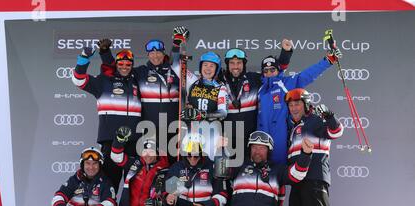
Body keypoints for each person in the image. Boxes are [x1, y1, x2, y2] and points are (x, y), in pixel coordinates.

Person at [285, 88, 344, 206]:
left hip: (315, 179)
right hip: (298, 180)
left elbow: (336, 132)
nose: (294, 108)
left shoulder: (316, 121)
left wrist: (330, 115)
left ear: (306, 104)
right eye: (291, 105)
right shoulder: (294, 127)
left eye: (297, 104)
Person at [71, 41, 142, 189]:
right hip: (110, 140)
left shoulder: (137, 81)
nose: (124, 67)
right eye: (121, 64)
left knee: (135, 185)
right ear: (116, 64)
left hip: (135, 141)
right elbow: (78, 80)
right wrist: (84, 57)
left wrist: (105, 53)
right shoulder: (104, 81)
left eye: (128, 65)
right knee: (110, 185)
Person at [257, 44, 342, 165]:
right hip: (262, 140)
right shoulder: (261, 90)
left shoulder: (286, 83)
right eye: (266, 71)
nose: (269, 73)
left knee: (280, 173)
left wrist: (329, 60)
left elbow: (308, 74)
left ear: (278, 70)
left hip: (280, 139)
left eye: (272, 70)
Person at [99, 39, 180, 161]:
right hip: (149, 129)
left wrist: (178, 42)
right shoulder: (140, 72)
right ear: (148, 55)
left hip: (173, 127)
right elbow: (119, 68)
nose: (155, 56)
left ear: (164, 54)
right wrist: (105, 52)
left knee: (173, 164)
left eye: (158, 52)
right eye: (152, 53)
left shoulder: (175, 71)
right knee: (153, 164)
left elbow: (188, 87)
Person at [221, 40, 293, 158]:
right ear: (227, 65)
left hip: (251, 140)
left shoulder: (254, 79)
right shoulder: (220, 81)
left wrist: (285, 53)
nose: (235, 66)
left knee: (247, 173)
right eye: (232, 63)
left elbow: (273, 73)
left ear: (244, 64)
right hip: (227, 139)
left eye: (239, 63)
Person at [171, 27, 228, 161]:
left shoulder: (221, 88)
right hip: (193, 130)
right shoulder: (193, 81)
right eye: (205, 65)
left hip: (211, 131)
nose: (208, 69)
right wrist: (176, 44)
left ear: (217, 69)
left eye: (212, 66)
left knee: (210, 164)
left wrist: (201, 114)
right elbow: (175, 65)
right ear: (200, 66)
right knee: (190, 163)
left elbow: (223, 113)